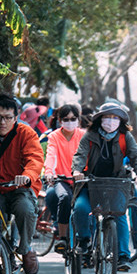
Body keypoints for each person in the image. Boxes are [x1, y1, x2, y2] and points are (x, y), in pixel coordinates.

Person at [71, 102, 137, 271]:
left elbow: (136, 156)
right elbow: (80, 155)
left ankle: (123, 256)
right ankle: (84, 240)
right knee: (80, 208)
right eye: (107, 117)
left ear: (120, 121)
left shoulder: (125, 136)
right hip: (90, 182)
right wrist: (77, 170)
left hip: (116, 183)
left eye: (115, 118)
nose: (111, 121)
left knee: (119, 214)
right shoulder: (90, 135)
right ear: (100, 119)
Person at [0, 93, 42, 274]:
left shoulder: (26, 133)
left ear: (16, 118)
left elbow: (35, 159)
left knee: (26, 209)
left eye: (8, 118)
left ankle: (26, 248)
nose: (3, 122)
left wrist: (26, 176)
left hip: (19, 187)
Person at [44, 104, 85, 254]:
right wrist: (49, 172)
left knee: (86, 206)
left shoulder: (84, 135)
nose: (70, 122)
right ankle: (62, 237)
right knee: (64, 197)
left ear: (78, 120)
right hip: (61, 178)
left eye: (73, 119)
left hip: (81, 179)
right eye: (66, 119)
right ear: (60, 120)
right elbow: (51, 155)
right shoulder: (54, 136)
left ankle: (88, 240)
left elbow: (87, 155)